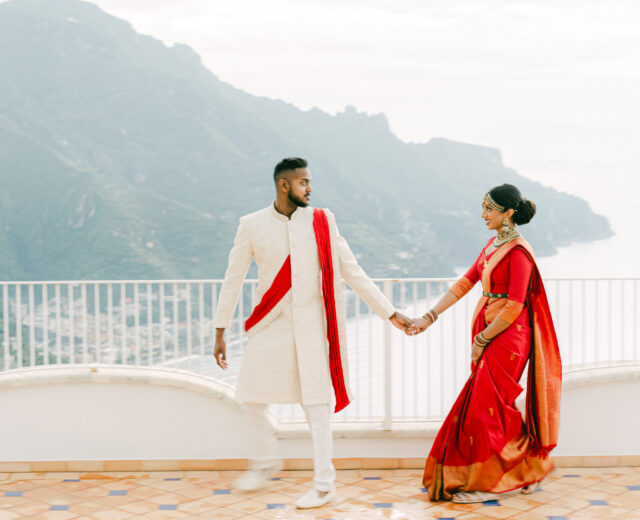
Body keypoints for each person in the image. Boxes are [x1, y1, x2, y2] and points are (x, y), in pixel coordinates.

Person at [213, 157, 411, 509]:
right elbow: (233, 277)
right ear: (284, 185)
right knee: (250, 400)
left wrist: (390, 312)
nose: (310, 188)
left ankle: (324, 485)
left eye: (310, 182)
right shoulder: (252, 225)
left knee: (317, 409)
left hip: (312, 329)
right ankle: (266, 459)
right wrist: (220, 328)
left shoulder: (323, 221)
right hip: (271, 325)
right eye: (303, 182)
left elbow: (352, 270)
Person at [406, 184, 562, 504]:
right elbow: (465, 283)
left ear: (507, 213)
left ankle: (488, 481)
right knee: (493, 408)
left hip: (508, 336)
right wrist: (428, 317)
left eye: (489, 209)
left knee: (484, 410)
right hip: (491, 329)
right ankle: (525, 469)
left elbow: (515, 304)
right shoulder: (493, 245)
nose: (483, 214)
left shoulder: (518, 252)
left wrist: (482, 339)